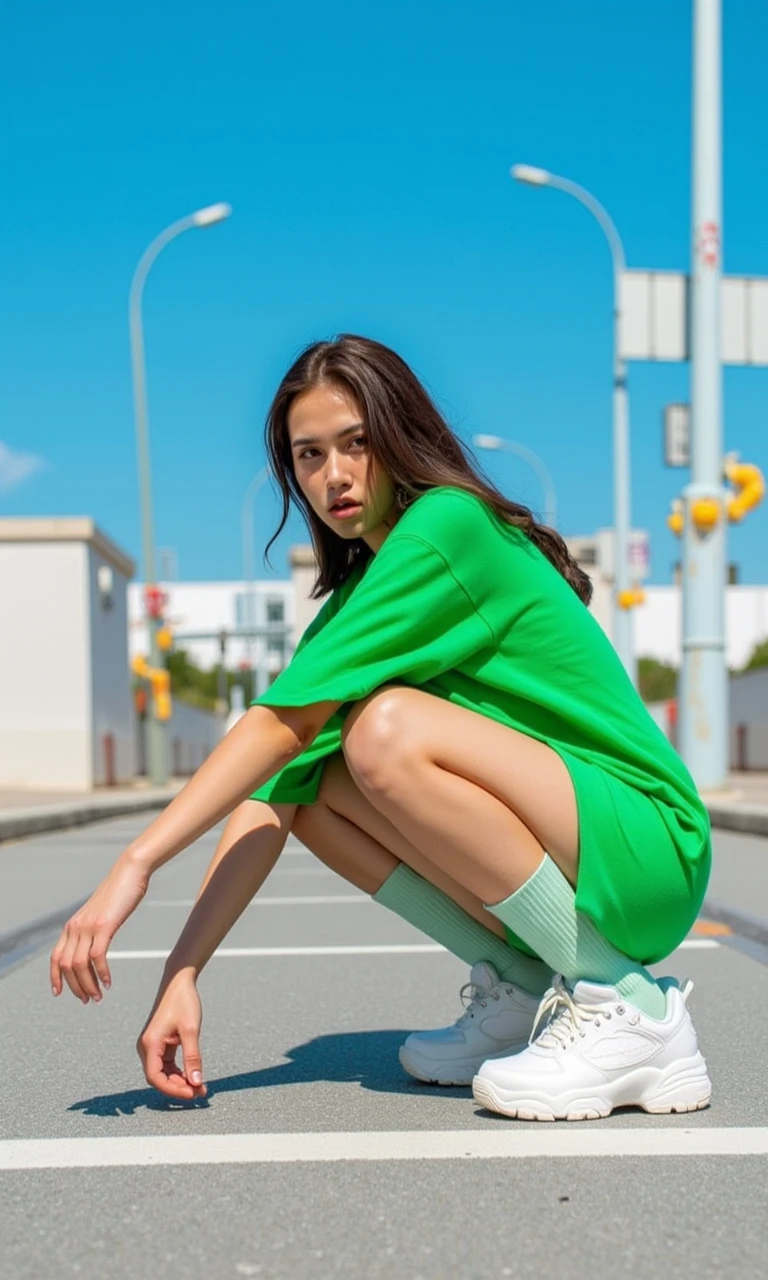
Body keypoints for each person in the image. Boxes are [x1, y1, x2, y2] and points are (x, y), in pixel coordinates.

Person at [50, 334, 713, 1122]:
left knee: (383, 731)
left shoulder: (448, 525)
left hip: (649, 844)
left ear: (399, 434)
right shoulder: (355, 603)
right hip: (587, 846)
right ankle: (526, 983)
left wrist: (137, 862)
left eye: (356, 443)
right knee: (316, 783)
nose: (334, 474)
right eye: (309, 455)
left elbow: (280, 725)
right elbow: (272, 785)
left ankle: (626, 1001)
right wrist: (182, 973)